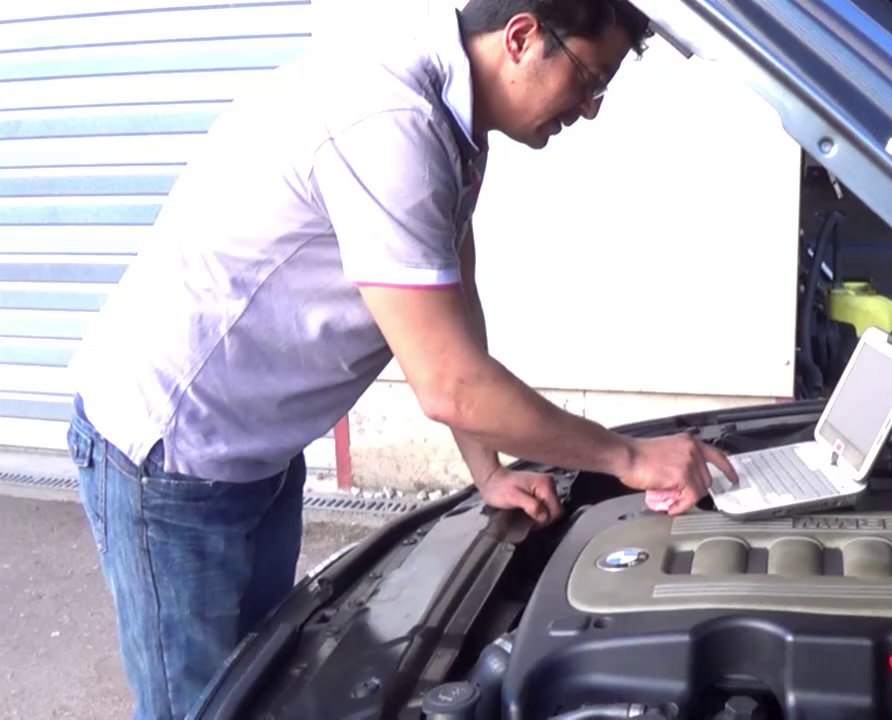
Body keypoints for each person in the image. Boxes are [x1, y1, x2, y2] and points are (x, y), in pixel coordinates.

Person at [63, 1, 738, 717]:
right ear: (522, 38)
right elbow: (449, 382)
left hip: (255, 451)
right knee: (200, 707)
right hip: (171, 460)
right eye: (588, 78)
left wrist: (488, 470)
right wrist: (631, 459)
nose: (591, 108)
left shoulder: (451, 120)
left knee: (260, 686)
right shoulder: (390, 124)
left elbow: (454, 309)